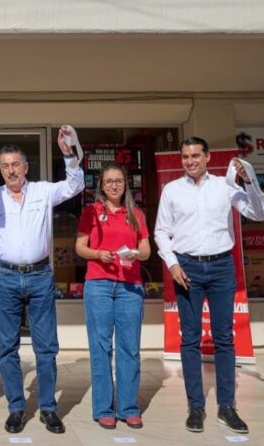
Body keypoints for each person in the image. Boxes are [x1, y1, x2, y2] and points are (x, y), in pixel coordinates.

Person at [0, 131, 83, 435]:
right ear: (0, 170)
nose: (11, 170)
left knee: (46, 347)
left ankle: (47, 407)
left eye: (15, 164)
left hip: (39, 276)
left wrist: (69, 154)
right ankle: (16, 407)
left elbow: (75, 185)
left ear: (25, 167)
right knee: (7, 347)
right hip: (4, 277)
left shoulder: (43, 191)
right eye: (5, 166)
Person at [154, 136, 264, 435]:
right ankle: (196, 407)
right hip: (186, 267)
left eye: (195, 156)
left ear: (207, 157)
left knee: (224, 338)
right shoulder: (172, 190)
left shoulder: (225, 186)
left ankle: (227, 407)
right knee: (190, 339)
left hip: (221, 267)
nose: (190, 161)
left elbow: (258, 214)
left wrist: (249, 182)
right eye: (185, 157)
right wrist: (172, 263)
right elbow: (161, 231)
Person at [75, 164, 150, 430]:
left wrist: (134, 253)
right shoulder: (91, 212)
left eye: (118, 180)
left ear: (125, 184)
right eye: (109, 181)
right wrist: (98, 254)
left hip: (130, 287)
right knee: (101, 347)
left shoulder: (136, 213)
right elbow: (80, 247)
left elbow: (146, 250)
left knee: (129, 347)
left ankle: (128, 408)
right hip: (99, 284)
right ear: (102, 185)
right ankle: (104, 408)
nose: (114, 185)